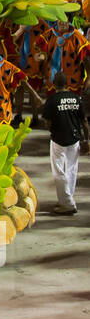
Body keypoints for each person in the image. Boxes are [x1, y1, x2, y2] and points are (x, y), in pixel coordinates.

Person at [41, 70, 89, 215]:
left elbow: (47, 124)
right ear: (67, 84)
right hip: (74, 140)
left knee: (59, 172)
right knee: (71, 170)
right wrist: (86, 139)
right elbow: (84, 122)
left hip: (58, 140)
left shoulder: (52, 100)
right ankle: (67, 199)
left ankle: (67, 204)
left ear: (54, 84)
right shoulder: (76, 98)